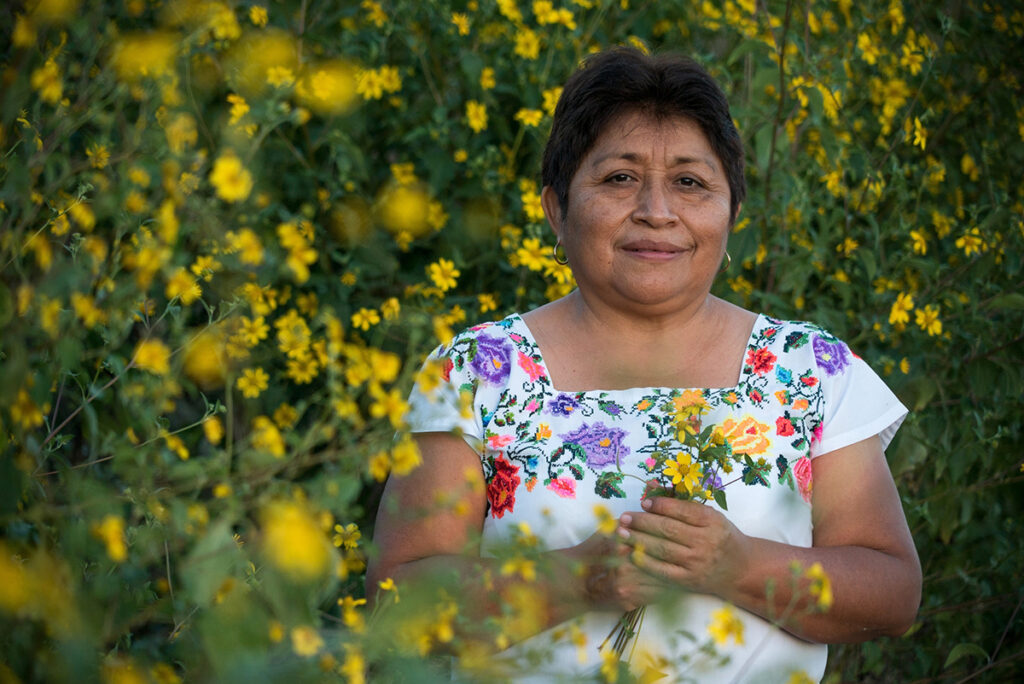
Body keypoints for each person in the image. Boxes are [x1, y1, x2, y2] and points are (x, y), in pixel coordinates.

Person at [367, 47, 922, 682]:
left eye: (690, 182)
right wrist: (578, 578)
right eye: (619, 179)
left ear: (732, 212)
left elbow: (891, 594)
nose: (657, 211)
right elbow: (395, 602)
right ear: (556, 208)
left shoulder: (810, 370)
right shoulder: (475, 371)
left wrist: (739, 567)